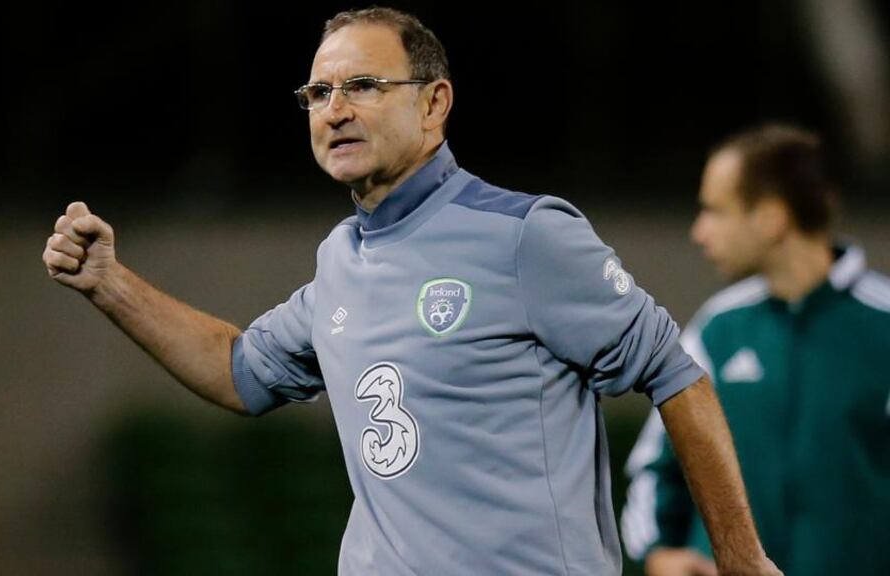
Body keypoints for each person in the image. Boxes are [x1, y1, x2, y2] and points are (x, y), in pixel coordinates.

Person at [43, 8, 779, 575]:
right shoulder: (339, 259)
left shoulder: (525, 235)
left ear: (434, 104)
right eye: (319, 92)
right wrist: (109, 284)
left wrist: (740, 558)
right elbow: (239, 369)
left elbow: (676, 376)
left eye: (364, 85)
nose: (334, 109)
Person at [621, 123, 890, 576]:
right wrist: (656, 552)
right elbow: (656, 465)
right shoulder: (717, 328)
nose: (698, 232)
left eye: (714, 210)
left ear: (770, 218)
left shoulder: (882, 327)